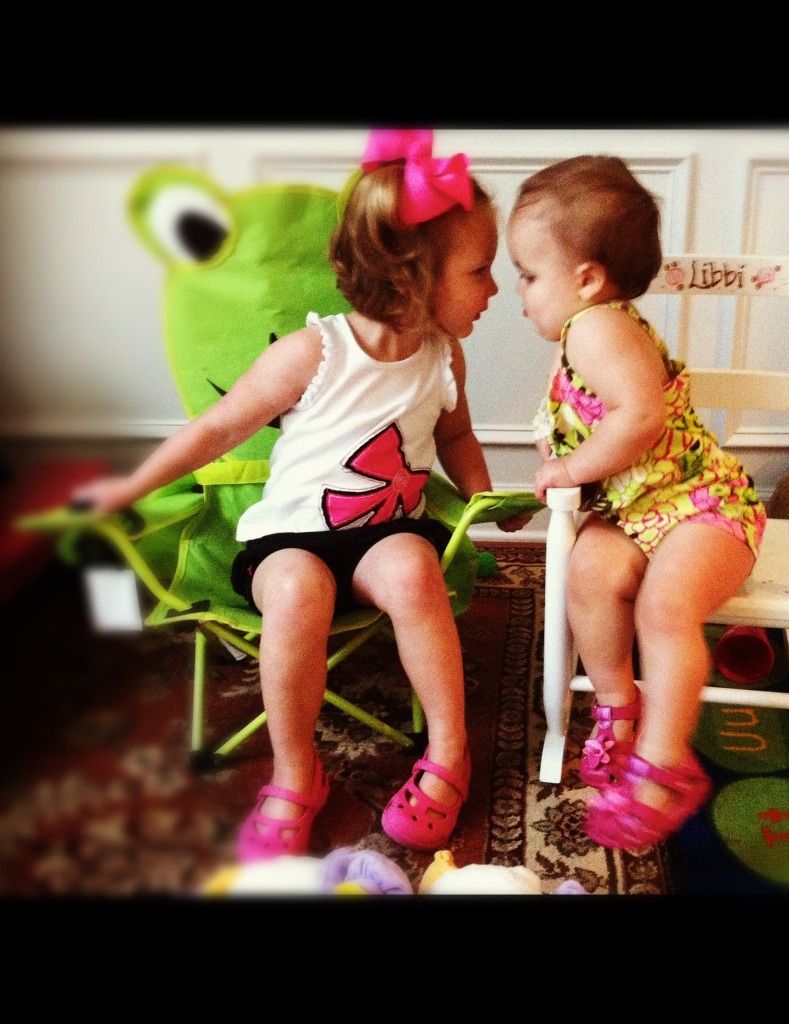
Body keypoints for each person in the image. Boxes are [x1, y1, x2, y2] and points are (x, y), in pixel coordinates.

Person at [75, 129, 526, 860]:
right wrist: (129, 487)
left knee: (415, 570)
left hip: (386, 535)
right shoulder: (315, 352)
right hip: (289, 537)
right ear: (412, 275)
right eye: (480, 270)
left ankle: (449, 752)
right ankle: (296, 772)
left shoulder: (443, 359)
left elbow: (457, 436)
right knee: (295, 590)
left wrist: (481, 498)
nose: (494, 290)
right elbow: (217, 428)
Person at [507, 156, 767, 849]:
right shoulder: (583, 333)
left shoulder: (599, 328)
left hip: (703, 506)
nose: (519, 293)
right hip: (636, 511)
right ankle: (619, 705)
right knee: (588, 574)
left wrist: (570, 467)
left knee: (663, 608)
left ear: (587, 279)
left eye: (528, 275)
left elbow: (641, 417)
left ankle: (662, 762)